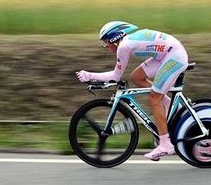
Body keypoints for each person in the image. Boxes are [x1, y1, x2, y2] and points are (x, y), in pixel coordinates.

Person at [76, 21, 189, 161]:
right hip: (166, 55)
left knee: (154, 99)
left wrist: (89, 75)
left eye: (105, 42)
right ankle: (170, 104)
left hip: (174, 57)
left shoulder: (124, 46)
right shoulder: (126, 42)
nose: (105, 46)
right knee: (136, 77)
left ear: (113, 38)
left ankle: (165, 144)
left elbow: (115, 76)